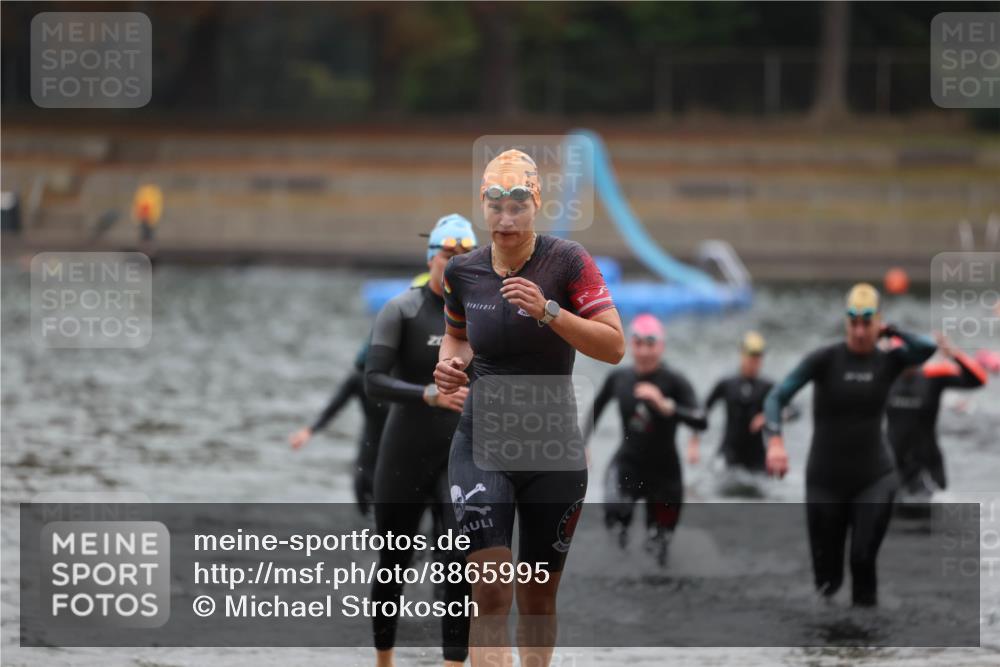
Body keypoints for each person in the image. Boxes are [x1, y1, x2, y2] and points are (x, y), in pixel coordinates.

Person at [434, 149, 624, 667]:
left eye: (518, 205)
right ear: (483, 208)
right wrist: (449, 367)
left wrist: (550, 311)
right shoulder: (463, 272)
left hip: (553, 448)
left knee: (537, 599)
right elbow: (456, 341)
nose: (506, 218)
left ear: (535, 205)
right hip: (481, 444)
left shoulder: (567, 261)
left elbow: (613, 346)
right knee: (491, 591)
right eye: (495, 205)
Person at [763, 283, 936, 606]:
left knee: (862, 560)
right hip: (824, 482)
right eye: (853, 321)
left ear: (878, 322)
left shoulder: (891, 360)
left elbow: (927, 348)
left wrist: (894, 331)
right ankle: (832, 649)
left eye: (866, 322)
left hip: (875, 477)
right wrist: (774, 442)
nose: (859, 330)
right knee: (827, 584)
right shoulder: (824, 359)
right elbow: (776, 397)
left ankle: (866, 647)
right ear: (846, 321)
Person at [366, 214, 478, 667]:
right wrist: (427, 395)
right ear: (432, 257)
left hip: (459, 455)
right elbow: (373, 382)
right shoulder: (402, 309)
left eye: (466, 257)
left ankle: (453, 664)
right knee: (393, 561)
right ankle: (384, 661)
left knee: (456, 560)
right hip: (404, 452)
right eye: (448, 255)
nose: (455, 265)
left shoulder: (483, 317)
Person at [585, 314, 706, 564]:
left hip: (665, 475)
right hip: (627, 468)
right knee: (615, 541)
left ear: (661, 346)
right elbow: (594, 410)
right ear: (631, 345)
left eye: (651, 344)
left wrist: (666, 406)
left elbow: (701, 419)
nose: (644, 351)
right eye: (638, 343)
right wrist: (582, 444)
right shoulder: (619, 378)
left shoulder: (675, 381)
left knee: (658, 548)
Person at [289, 337, 388, 516]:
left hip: (399, 443)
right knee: (361, 485)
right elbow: (335, 406)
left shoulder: (403, 374)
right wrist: (310, 430)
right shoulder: (359, 376)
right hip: (370, 443)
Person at [886, 333, 987, 497]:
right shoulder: (885, 378)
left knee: (933, 517)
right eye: (900, 356)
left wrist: (953, 353)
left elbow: (979, 379)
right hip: (895, 464)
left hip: (927, 463)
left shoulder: (932, 376)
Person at [690, 331, 789, 475]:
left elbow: (794, 410)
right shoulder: (726, 383)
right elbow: (702, 411)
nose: (755, 361)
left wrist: (769, 416)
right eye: (751, 356)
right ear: (742, 354)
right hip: (728, 451)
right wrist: (694, 442)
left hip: (756, 454)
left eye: (758, 357)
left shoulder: (767, 386)